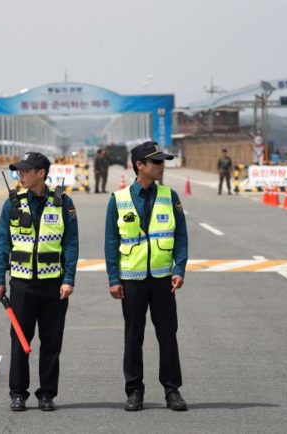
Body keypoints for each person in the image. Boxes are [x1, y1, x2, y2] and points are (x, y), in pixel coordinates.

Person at [104, 141, 189, 412]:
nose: (162, 166)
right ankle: (134, 391)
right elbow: (110, 241)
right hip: (132, 279)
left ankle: (172, 390)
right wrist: (113, 279)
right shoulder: (118, 199)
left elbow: (181, 236)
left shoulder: (170, 196)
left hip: (164, 278)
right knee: (133, 336)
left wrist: (180, 268)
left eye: (163, 161)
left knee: (167, 335)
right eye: (157, 162)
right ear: (140, 165)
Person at [0, 152, 79, 412]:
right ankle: (18, 393)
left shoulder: (63, 202)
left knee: (52, 342)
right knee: (20, 340)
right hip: (21, 283)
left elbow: (71, 244)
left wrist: (69, 278)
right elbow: (2, 242)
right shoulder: (13, 203)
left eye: (25, 170)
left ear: (41, 173)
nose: (20, 175)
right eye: (18, 171)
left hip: (54, 285)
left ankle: (46, 394)